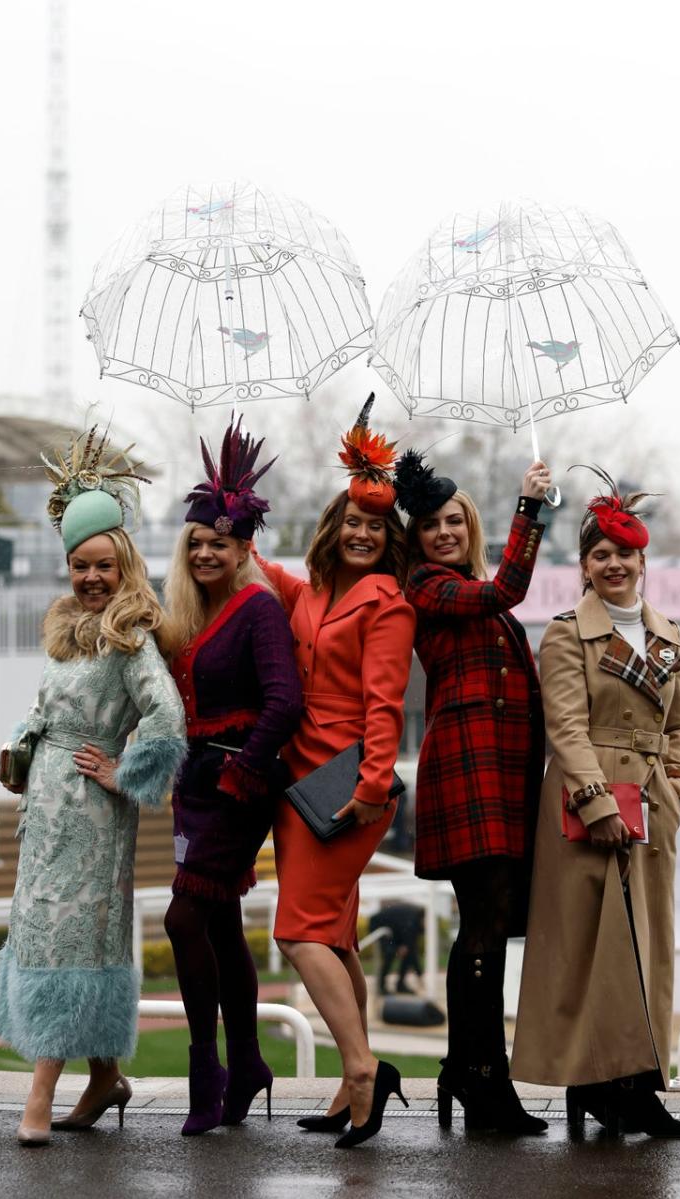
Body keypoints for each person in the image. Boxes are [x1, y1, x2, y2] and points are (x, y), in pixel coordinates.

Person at [0, 428, 186, 1146]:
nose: (93, 578)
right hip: (44, 814)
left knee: (70, 943)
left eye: (104, 564)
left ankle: (39, 1095)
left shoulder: (131, 634)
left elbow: (167, 718)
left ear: (124, 562)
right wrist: (19, 755)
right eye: (80, 566)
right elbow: (45, 712)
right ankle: (104, 1076)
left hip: (95, 817)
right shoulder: (69, 628)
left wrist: (122, 772)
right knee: (56, 937)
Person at [510, 467, 680, 1139]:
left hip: (651, 808)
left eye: (624, 553)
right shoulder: (564, 633)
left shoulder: (670, 635)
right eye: (599, 554)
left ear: (643, 561)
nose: (613, 564)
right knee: (590, 951)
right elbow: (564, 728)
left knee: (647, 947)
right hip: (584, 808)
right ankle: (594, 1086)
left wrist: (676, 786)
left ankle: (639, 1087)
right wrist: (596, 803)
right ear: (584, 565)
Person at [257, 395, 416, 1149]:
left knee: (297, 931)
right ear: (335, 525)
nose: (360, 533)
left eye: (375, 527)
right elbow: (283, 584)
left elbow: (386, 705)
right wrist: (236, 535)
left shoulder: (389, 603)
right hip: (301, 789)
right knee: (337, 937)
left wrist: (371, 789)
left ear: (389, 539)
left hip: (349, 794)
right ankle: (366, 1073)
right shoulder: (315, 591)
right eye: (352, 522)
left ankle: (358, 1070)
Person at [395, 450, 549, 1135]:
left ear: (469, 525)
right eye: (431, 524)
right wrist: (531, 510)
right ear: (417, 537)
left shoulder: (468, 588)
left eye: (454, 520)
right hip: (467, 769)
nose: (444, 532)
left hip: (502, 774)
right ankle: (480, 1075)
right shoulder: (429, 586)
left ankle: (475, 1068)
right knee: (482, 926)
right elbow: (505, 592)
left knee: (488, 926)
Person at [163, 416, 302, 1135]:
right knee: (217, 926)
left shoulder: (257, 610)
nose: (207, 551)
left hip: (237, 787)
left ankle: (207, 1070)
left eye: (220, 542)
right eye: (197, 543)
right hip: (192, 787)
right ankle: (246, 1065)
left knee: (181, 917)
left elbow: (285, 701)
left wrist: (244, 772)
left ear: (246, 547)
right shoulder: (189, 615)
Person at [367, 901, 424, 995]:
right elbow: (406, 939)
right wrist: (420, 975)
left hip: (392, 931)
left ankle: (400, 985)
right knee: (390, 953)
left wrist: (419, 974)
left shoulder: (414, 920)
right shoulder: (413, 919)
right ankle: (381, 986)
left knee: (408, 954)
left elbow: (412, 951)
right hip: (378, 925)